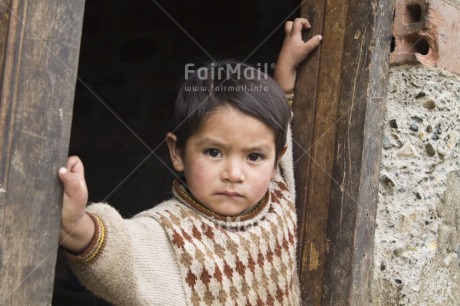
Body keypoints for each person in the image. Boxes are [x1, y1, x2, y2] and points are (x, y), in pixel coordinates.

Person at [58, 18, 321, 305]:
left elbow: (278, 131)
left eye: (254, 157)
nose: (234, 174)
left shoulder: (277, 195)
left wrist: (284, 73)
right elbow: (120, 251)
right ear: (177, 152)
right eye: (213, 152)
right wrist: (75, 223)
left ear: (275, 163)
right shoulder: (170, 234)